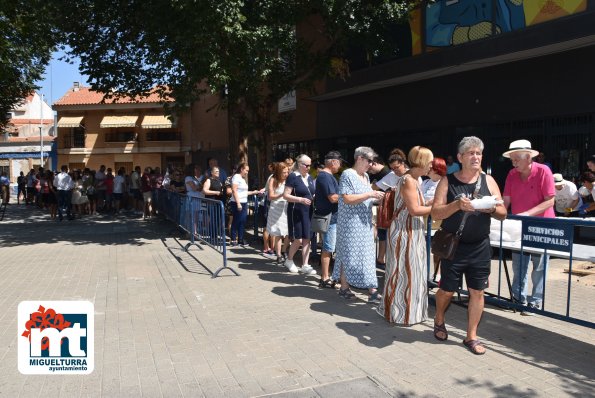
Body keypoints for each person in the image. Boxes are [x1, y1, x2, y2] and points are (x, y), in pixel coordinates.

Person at [432, 136, 506, 355]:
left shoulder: (489, 181)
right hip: (454, 247)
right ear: (460, 157)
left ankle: (471, 336)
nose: (476, 157)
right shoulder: (448, 181)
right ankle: (439, 318)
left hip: (480, 247)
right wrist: (456, 205)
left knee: (477, 291)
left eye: (479, 153)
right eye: (471, 153)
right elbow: (436, 212)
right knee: (446, 291)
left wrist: (491, 209)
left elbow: (503, 213)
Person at [378, 146, 434, 325]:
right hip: (405, 232)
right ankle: (399, 313)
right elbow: (415, 209)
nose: (431, 165)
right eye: (430, 161)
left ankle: (409, 313)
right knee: (404, 273)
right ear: (421, 162)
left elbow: (420, 205)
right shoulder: (409, 180)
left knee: (411, 272)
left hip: (412, 230)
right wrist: (441, 209)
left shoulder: (414, 179)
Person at [502, 139, 555, 316]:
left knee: (539, 266)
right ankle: (518, 299)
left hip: (541, 225)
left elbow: (550, 200)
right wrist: (496, 210)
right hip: (519, 226)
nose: (514, 162)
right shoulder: (511, 174)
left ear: (529, 157)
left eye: (517, 158)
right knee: (519, 265)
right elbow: (506, 200)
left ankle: (536, 302)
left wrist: (528, 214)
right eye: (512, 159)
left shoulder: (543, 171)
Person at [332, 147, 385, 302]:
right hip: (350, 224)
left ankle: (371, 290)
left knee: (366, 255)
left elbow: (365, 199)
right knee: (348, 255)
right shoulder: (348, 174)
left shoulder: (366, 177)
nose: (371, 164)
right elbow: (347, 198)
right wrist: (370, 194)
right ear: (359, 158)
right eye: (369, 161)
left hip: (365, 223)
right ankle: (346, 287)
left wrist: (378, 199)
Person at [283, 154, 317, 275]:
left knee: (307, 237)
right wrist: (300, 200)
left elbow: (311, 193)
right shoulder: (293, 176)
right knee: (298, 239)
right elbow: (286, 195)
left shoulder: (309, 177)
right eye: (306, 165)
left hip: (308, 211)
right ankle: (289, 260)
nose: (308, 167)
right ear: (299, 164)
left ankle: (305, 264)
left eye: (310, 165)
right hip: (296, 210)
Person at [373, 150, 408, 267]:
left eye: (397, 167)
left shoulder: (411, 175)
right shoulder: (391, 175)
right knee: (390, 239)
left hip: (406, 213)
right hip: (392, 213)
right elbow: (375, 187)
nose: (395, 171)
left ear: (403, 163)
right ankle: (387, 262)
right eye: (392, 168)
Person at [314, 151, 343, 288]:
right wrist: (348, 197)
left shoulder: (326, 176)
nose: (340, 166)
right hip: (330, 218)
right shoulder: (325, 176)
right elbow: (332, 198)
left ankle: (328, 277)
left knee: (329, 248)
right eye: (339, 162)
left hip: (331, 217)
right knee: (328, 248)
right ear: (333, 162)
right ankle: (324, 278)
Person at [230, 163, 263, 246]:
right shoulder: (236, 177)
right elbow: (234, 190)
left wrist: (254, 192)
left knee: (242, 221)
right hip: (237, 202)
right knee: (236, 221)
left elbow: (243, 192)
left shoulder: (242, 179)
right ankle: (233, 239)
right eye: (246, 170)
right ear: (241, 169)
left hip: (244, 202)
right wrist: (238, 203)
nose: (247, 172)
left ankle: (240, 239)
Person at [265, 162, 290, 263]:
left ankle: (284, 251)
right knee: (278, 232)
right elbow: (270, 196)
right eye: (284, 172)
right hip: (276, 208)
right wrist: (282, 195)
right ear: (279, 172)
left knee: (288, 231)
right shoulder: (273, 179)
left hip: (286, 207)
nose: (286, 174)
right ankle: (278, 254)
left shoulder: (289, 180)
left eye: (287, 172)